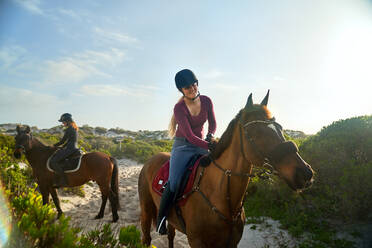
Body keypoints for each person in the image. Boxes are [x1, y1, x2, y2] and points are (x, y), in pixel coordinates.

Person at [156, 69, 217, 234]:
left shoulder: (206, 100)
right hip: (183, 146)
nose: (192, 89)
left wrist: (211, 135)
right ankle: (161, 219)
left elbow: (213, 123)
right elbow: (189, 136)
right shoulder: (179, 108)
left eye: (193, 84)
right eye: (187, 87)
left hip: (203, 143)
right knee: (174, 182)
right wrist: (208, 146)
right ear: (181, 90)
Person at [50, 113, 79, 187]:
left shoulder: (69, 129)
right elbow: (69, 141)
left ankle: (63, 181)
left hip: (70, 149)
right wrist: (62, 147)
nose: (63, 123)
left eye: (63, 121)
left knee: (53, 161)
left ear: (68, 121)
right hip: (73, 147)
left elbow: (62, 141)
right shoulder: (74, 128)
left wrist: (53, 146)